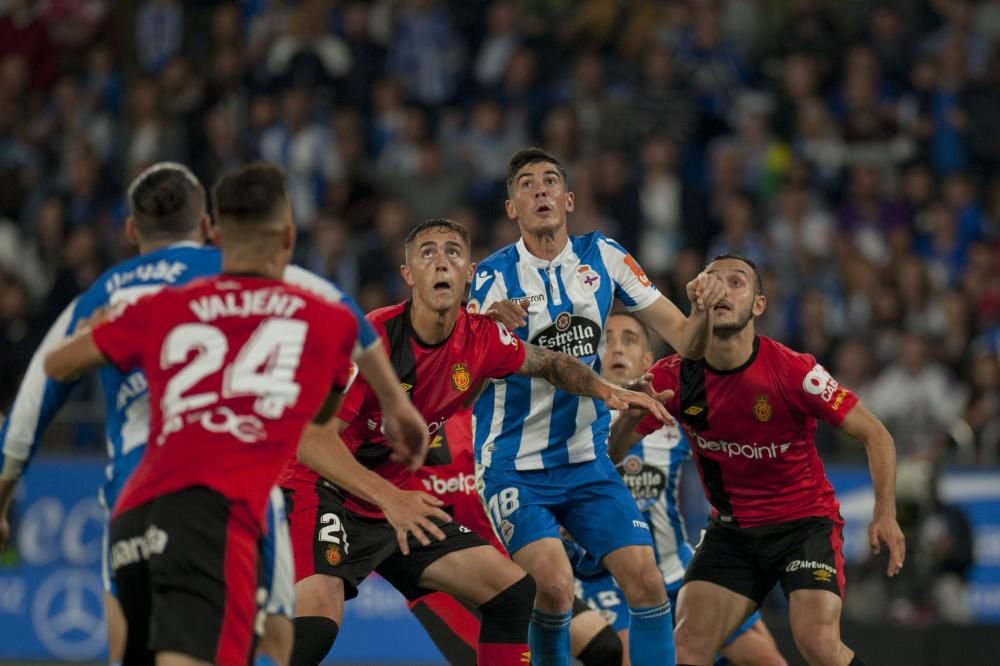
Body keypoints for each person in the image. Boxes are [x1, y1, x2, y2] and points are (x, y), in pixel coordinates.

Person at [0, 162, 428, 665]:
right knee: (250, 644)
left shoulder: (148, 302)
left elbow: (53, 368)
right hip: (220, 508)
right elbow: (350, 344)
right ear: (285, 239)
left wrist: (97, 332)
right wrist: (397, 406)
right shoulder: (313, 308)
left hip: (132, 508)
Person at [280, 218, 672, 666]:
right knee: (317, 624)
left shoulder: (481, 340)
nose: (441, 260)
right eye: (427, 252)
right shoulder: (374, 341)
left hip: (394, 505)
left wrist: (605, 389)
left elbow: (548, 364)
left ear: (469, 273)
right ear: (408, 275)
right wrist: (392, 498)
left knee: (512, 592)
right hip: (325, 488)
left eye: (452, 251)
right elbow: (311, 442)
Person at [470, 147, 725, 665]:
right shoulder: (493, 279)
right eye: (526, 184)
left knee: (649, 584)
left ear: (568, 199)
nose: (539, 190)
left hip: (587, 462)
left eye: (549, 181)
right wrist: (488, 328)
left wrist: (701, 308)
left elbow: (686, 339)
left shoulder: (604, 256)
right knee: (556, 586)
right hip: (512, 467)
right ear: (511, 208)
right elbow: (463, 370)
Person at [609, 254, 906, 666]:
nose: (723, 290)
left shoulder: (793, 372)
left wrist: (885, 513)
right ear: (699, 295)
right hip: (731, 534)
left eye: (736, 283)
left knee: (817, 642)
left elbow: (876, 434)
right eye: (713, 281)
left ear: (758, 305)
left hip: (804, 525)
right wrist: (631, 418)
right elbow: (613, 452)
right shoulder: (673, 377)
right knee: (686, 650)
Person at [570, 311, 786, 666]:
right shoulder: (575, 417)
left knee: (766, 659)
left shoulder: (672, 411)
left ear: (647, 360)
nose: (617, 348)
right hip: (608, 579)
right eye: (607, 339)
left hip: (676, 569)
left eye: (630, 339)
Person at [409, 406, 627, 666]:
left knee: (605, 648)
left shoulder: (498, 412)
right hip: (445, 571)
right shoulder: (407, 417)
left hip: (506, 563)